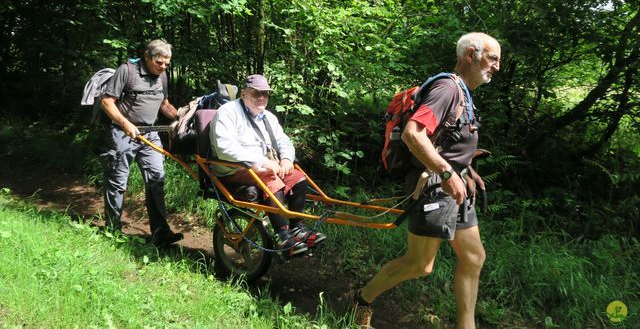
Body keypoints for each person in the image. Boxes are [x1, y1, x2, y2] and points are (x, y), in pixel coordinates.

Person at [348, 32, 501, 328]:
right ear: (470, 55)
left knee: (473, 258)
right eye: (492, 58)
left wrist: (463, 167)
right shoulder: (447, 89)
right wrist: (446, 172)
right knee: (419, 265)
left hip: (457, 187)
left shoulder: (464, 93)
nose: (496, 66)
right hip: (435, 187)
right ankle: (361, 300)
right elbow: (413, 134)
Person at [210, 74, 326, 257]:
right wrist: (262, 161)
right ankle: (282, 237)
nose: (261, 98)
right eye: (256, 93)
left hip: (263, 166)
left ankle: (298, 228)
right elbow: (224, 147)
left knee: (298, 177)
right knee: (269, 177)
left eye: (265, 94)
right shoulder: (228, 112)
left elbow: (284, 141)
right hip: (233, 168)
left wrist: (287, 159)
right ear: (243, 94)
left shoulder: (268, 117)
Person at [100, 39, 183, 247]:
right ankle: (112, 229)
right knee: (117, 182)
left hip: (150, 135)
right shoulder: (126, 71)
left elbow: (164, 104)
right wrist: (125, 123)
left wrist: (181, 119)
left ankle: (160, 233)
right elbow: (107, 102)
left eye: (167, 63)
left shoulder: (162, 76)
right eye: (159, 62)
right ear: (147, 56)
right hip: (123, 133)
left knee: (156, 179)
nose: (163, 67)